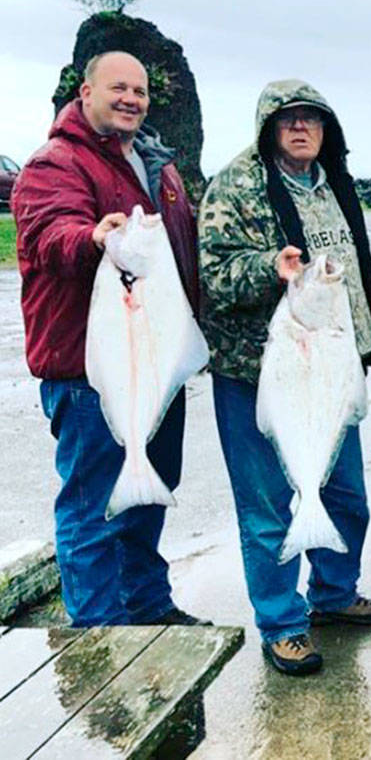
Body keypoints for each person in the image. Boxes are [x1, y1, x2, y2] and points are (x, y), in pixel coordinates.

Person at [199, 79, 371, 676]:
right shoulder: (236, 184)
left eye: (312, 118)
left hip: (330, 369)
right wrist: (270, 267)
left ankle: (334, 593)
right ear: (268, 128)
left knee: (348, 497)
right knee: (267, 510)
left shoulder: (334, 183)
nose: (301, 127)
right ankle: (282, 623)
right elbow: (213, 275)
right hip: (257, 373)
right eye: (288, 119)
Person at [11, 51, 207, 628]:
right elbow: (48, 233)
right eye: (118, 87)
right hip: (87, 370)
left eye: (140, 91)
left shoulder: (157, 167)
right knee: (91, 506)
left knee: (147, 492)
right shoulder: (54, 163)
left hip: (157, 363)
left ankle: (147, 606)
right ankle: (99, 633)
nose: (131, 99)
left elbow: (183, 255)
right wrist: (94, 238)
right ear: (86, 92)